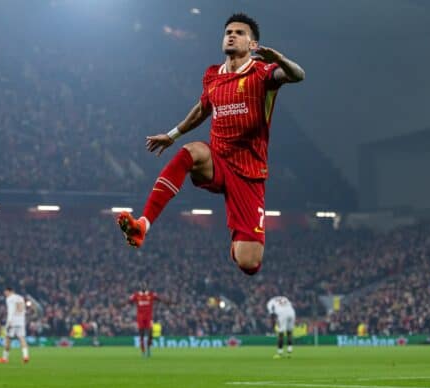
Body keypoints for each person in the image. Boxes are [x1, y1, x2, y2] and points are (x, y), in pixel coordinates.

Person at [117, 13, 305, 275]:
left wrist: (280, 59)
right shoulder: (212, 75)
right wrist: (172, 135)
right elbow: (202, 109)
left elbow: (298, 75)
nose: (231, 35)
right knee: (191, 151)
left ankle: (239, 241)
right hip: (217, 160)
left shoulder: (263, 74)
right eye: (228, 31)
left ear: (253, 45)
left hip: (249, 174)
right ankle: (143, 225)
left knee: (249, 263)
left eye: (239, 32)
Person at [129, 282, 171, 357]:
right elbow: (129, 301)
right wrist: (120, 305)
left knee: (150, 333)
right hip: (140, 317)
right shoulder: (136, 295)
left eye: (145, 286)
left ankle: (148, 348)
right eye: (142, 285)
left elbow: (159, 299)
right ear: (140, 287)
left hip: (149, 317)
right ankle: (143, 351)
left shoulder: (151, 294)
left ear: (147, 287)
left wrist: (166, 302)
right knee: (141, 334)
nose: (143, 287)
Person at [0, 288, 30, 364]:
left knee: (8, 339)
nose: (5, 294)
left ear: (10, 291)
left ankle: (4, 358)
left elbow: (11, 311)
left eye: (6, 292)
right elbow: (24, 310)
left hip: (13, 321)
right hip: (21, 321)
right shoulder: (20, 297)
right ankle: (25, 356)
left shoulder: (9, 299)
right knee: (22, 338)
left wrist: (8, 323)